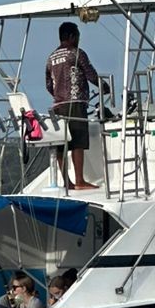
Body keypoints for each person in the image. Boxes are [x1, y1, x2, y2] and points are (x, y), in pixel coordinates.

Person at [45, 20, 99, 190]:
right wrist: (104, 86)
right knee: (77, 142)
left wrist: (58, 95)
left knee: (62, 143)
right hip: (75, 103)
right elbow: (90, 74)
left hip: (58, 105)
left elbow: (48, 84)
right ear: (71, 36)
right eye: (77, 36)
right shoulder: (76, 54)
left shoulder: (51, 58)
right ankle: (80, 181)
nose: (79, 40)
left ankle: (66, 181)